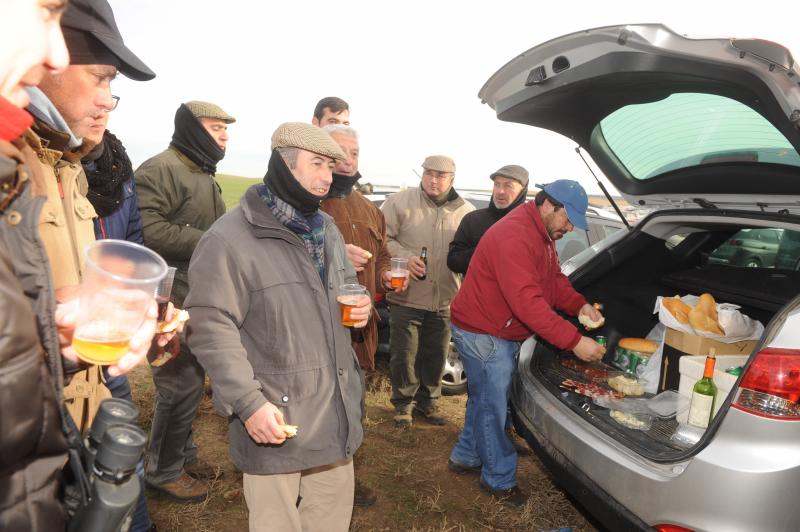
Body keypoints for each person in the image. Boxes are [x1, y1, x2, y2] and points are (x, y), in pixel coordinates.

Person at [0, 1, 157, 528]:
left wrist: (58, 333)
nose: (108, 99)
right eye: (102, 77)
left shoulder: (67, 168)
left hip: (78, 416)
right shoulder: (16, 164)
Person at [186, 122, 368, 531]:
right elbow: (209, 325)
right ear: (285, 165)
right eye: (317, 163)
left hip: (333, 408)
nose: (328, 177)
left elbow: (345, 288)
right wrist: (248, 403)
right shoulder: (229, 239)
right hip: (276, 415)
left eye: (331, 166)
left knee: (330, 517)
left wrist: (363, 306)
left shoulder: (327, 228)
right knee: (276, 522)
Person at [447, 180, 606, 507]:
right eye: (568, 219)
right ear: (548, 205)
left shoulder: (542, 233)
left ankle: (466, 455)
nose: (570, 228)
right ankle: (498, 478)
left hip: (494, 329)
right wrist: (574, 341)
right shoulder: (516, 236)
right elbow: (527, 302)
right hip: (484, 332)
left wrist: (579, 305)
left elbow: (553, 280)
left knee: (483, 398)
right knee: (491, 407)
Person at [134, 100, 235, 502]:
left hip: (193, 292)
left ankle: (182, 455)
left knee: (191, 383)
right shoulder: (160, 169)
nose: (224, 136)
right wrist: (212, 240)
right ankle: (162, 472)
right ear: (192, 129)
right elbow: (148, 230)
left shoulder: (202, 172)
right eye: (215, 128)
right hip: (166, 297)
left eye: (226, 130)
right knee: (178, 385)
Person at [319, 124, 403, 508]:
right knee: (320, 408)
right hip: (320, 328)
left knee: (353, 404)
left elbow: (382, 254)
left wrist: (385, 274)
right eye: (340, 152)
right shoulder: (310, 204)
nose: (348, 159)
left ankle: (346, 478)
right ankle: (319, 481)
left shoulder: (369, 208)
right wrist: (332, 255)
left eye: (354, 152)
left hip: (359, 327)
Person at [381, 155, 474, 427]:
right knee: (404, 355)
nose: (433, 180)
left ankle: (429, 403)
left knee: (436, 355)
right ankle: (403, 405)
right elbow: (382, 238)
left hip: (445, 298)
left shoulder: (466, 212)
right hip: (407, 295)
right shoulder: (399, 202)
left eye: (440, 176)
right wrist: (404, 257)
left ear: (452, 179)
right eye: (429, 173)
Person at [447, 164, 529, 276]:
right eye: (497, 184)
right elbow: (453, 261)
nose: (500, 191)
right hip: (476, 287)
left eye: (508, 186)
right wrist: (486, 250)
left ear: (522, 190)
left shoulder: (532, 225)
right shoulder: (473, 219)